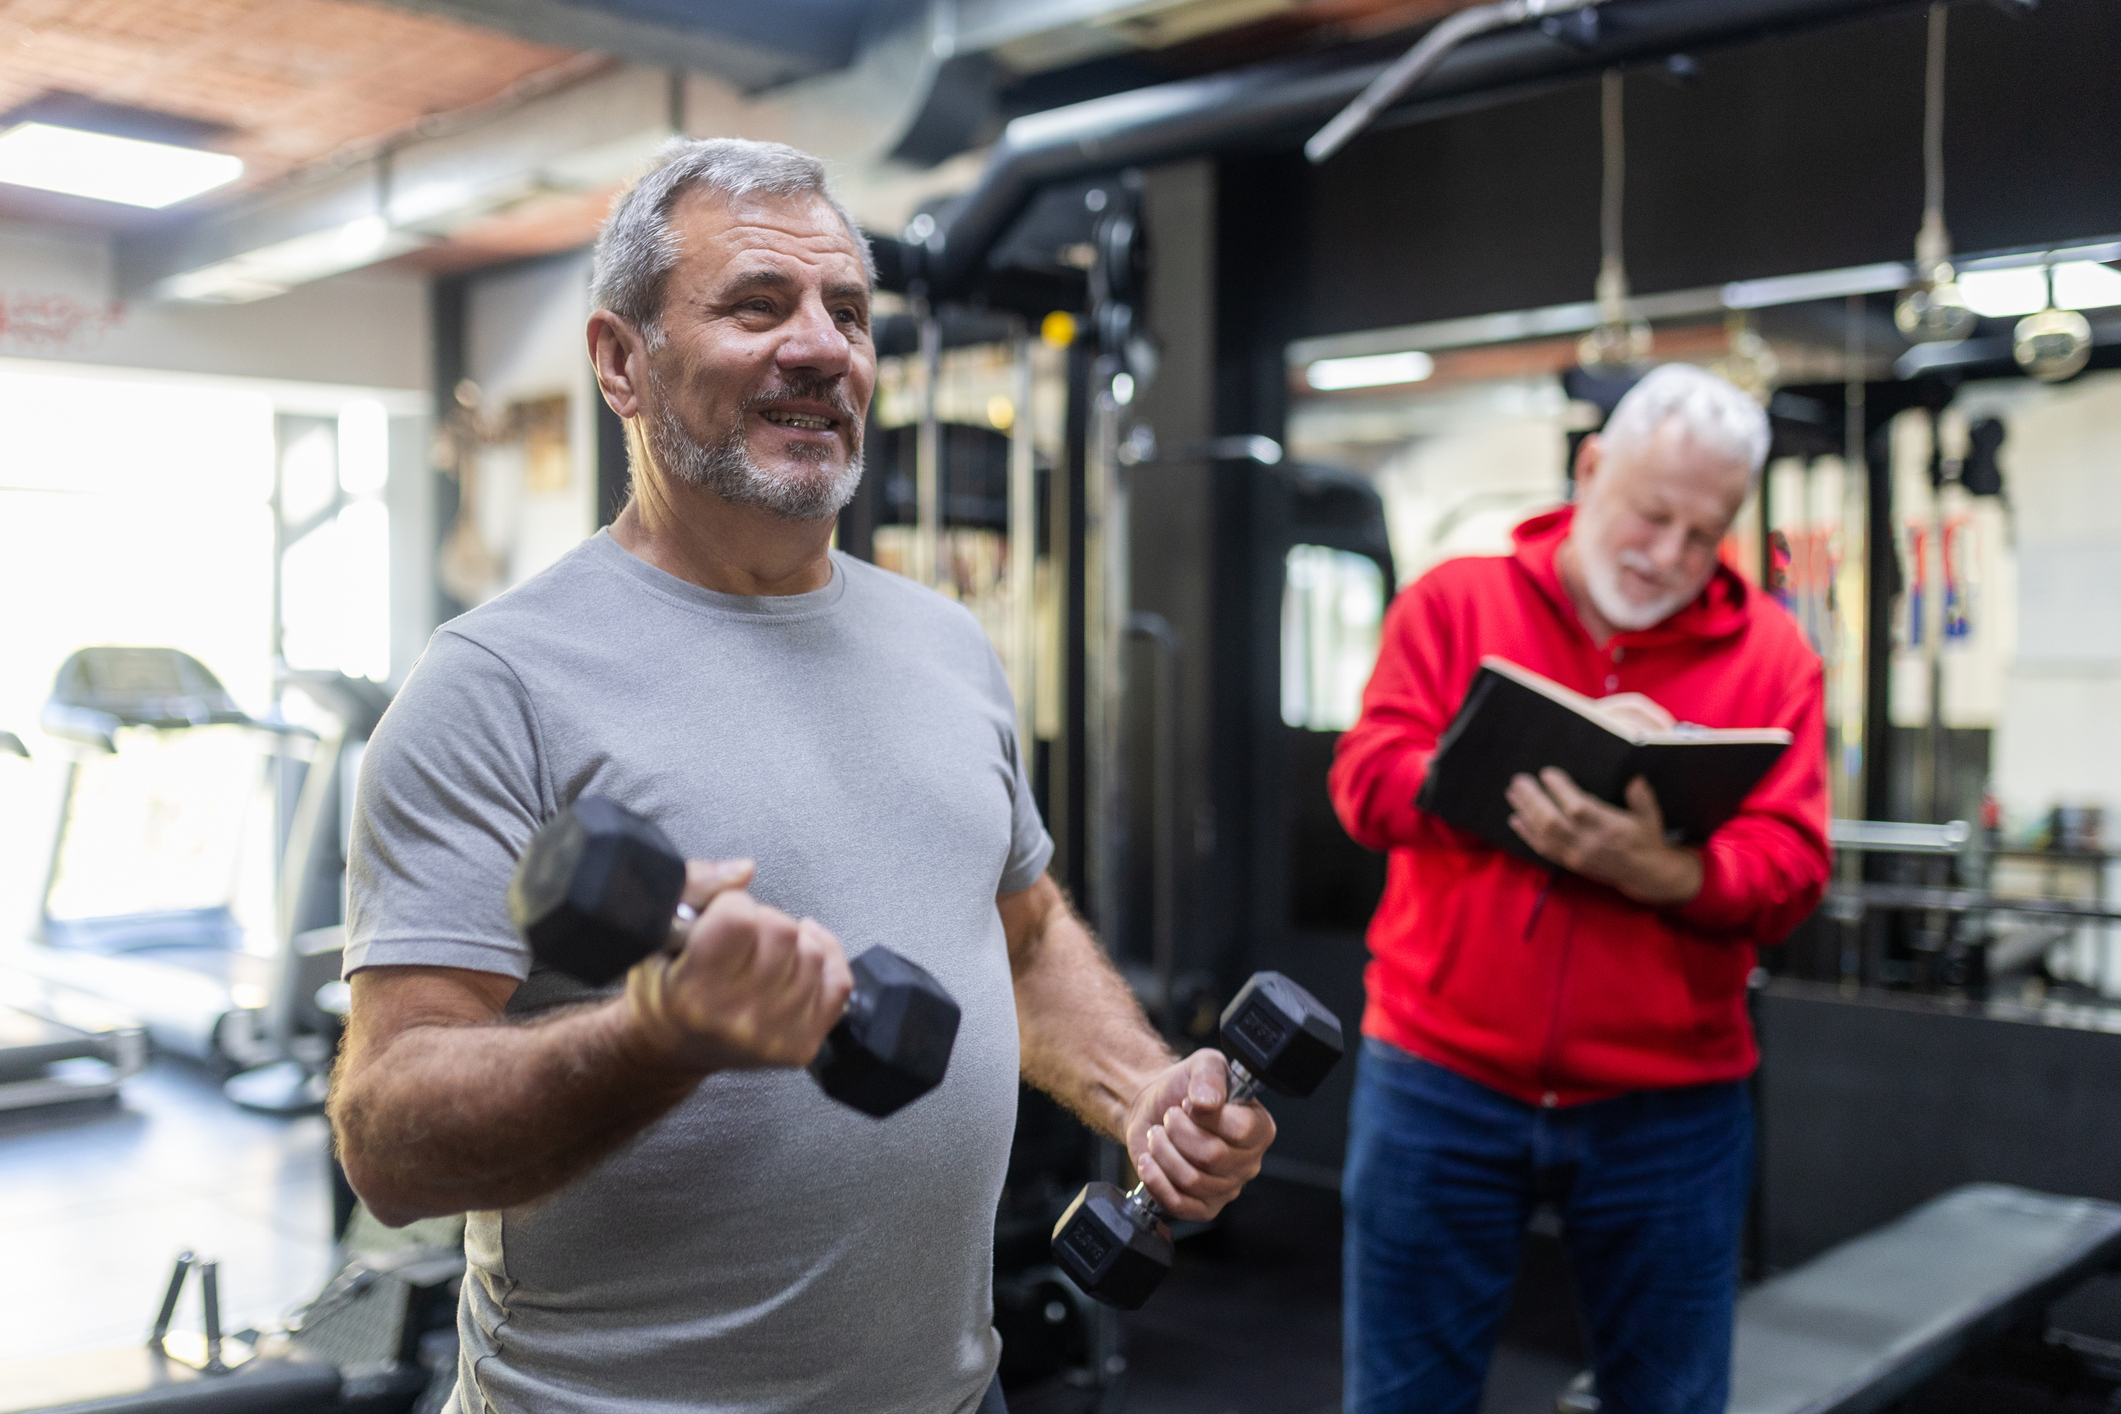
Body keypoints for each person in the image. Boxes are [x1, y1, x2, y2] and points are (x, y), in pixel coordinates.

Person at [328, 138, 1277, 1414]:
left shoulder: (944, 642)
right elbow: (387, 1136)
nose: (822, 346)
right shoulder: (496, 681)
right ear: (622, 361)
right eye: (757, 305)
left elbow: (1024, 929)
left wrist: (1143, 1091)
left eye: (848, 312)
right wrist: (654, 1040)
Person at [1328, 364, 1830, 1414]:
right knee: (1403, 1399)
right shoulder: (1454, 602)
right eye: (1652, 515)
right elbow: (1365, 784)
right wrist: (1493, 775)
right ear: (1591, 466)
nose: (1670, 557)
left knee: (1672, 1401)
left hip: (1671, 1108)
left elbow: (1791, 866)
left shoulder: (1774, 657)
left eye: (1706, 533)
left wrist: (1673, 873)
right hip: (1440, 1077)